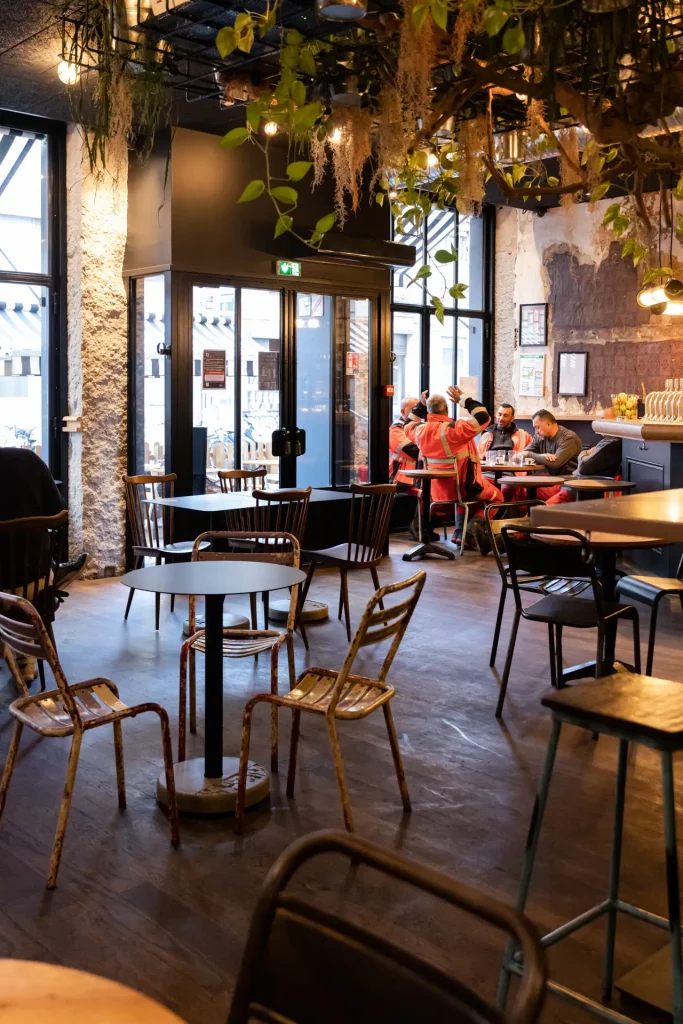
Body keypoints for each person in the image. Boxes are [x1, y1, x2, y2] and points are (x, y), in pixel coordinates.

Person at [0, 448, 88, 683]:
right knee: (32, 566)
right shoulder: (28, 459)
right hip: (34, 583)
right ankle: (55, 573)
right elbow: (58, 511)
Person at [405, 386, 502, 546]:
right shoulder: (456, 429)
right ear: (447, 410)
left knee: (471, 497)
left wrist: (420, 407)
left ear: (428, 412)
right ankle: (471, 531)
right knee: (497, 496)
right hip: (463, 489)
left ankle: (459, 532)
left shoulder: (418, 431)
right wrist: (463, 400)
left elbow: (407, 424)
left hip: (435, 493)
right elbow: (483, 417)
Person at [503, 409, 583, 503]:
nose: (535, 431)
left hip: (568, 482)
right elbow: (521, 455)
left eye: (537, 427)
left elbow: (555, 463)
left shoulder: (568, 438)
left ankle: (529, 516)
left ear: (548, 424)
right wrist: (541, 455)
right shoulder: (540, 436)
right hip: (552, 478)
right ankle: (512, 516)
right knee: (515, 487)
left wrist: (528, 455)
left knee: (542, 504)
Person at [545, 437, 623, 504]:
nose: (602, 418)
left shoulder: (613, 444)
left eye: (538, 427)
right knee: (537, 493)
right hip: (567, 483)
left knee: (541, 511)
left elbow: (583, 466)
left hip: (576, 489)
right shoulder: (609, 441)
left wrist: (584, 452)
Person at [389, 396, 421, 485]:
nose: (417, 412)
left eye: (418, 409)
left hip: (414, 477)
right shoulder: (396, 428)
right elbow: (411, 451)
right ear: (403, 411)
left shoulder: (419, 426)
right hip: (401, 478)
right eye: (413, 409)